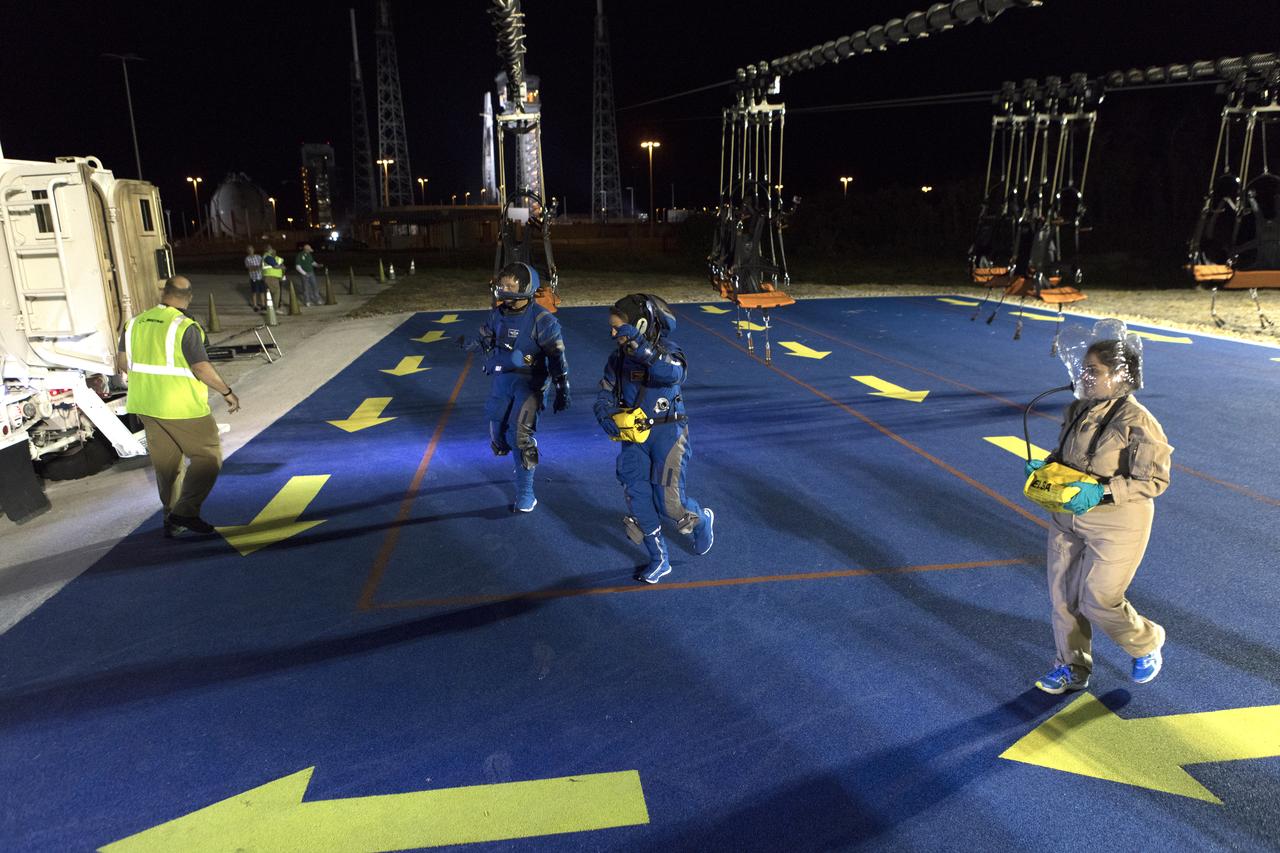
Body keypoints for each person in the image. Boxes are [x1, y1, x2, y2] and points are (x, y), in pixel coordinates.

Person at [1024, 319, 1172, 693]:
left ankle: (1146, 641)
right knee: (1063, 599)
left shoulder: (1139, 421)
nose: (1083, 376)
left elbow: (1154, 480)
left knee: (1099, 600)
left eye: (1093, 371)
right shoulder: (1077, 409)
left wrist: (1103, 493)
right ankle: (1071, 668)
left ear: (1120, 376)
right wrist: (1047, 466)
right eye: (1083, 369)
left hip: (1118, 523)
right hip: (1068, 517)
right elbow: (1065, 454)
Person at [593, 294, 714, 584]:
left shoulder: (668, 351)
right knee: (638, 500)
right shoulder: (616, 359)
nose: (612, 333)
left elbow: (672, 374)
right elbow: (604, 394)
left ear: (640, 325)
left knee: (670, 504)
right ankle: (660, 559)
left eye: (618, 328)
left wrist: (641, 349)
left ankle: (702, 519)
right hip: (633, 436)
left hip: (668, 433)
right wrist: (608, 418)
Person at [116, 276, 240, 537]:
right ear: (189, 296)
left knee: (167, 465)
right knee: (208, 457)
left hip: (145, 405)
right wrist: (226, 391)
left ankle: (172, 519)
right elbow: (200, 367)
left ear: (165, 294)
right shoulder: (185, 326)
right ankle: (186, 511)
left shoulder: (134, 323)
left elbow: (122, 363)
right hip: (181, 407)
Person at [458, 262, 570, 512]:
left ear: (526, 287)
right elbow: (487, 337)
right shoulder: (498, 313)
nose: (504, 288)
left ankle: (526, 493)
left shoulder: (543, 320)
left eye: (511, 284)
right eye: (503, 284)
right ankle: (515, 450)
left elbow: (555, 357)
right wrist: (473, 345)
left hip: (530, 382)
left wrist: (563, 386)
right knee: (498, 438)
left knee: (520, 438)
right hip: (502, 380)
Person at [244, 245, 266, 311]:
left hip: (260, 276)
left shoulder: (258, 256)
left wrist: (258, 267)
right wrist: (257, 267)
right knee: (254, 292)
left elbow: (262, 265)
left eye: (251, 249)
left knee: (262, 291)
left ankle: (263, 305)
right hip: (253, 277)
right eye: (249, 250)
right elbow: (249, 268)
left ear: (253, 250)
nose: (250, 251)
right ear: (247, 251)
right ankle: (255, 305)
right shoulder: (247, 259)